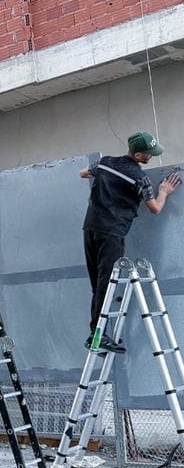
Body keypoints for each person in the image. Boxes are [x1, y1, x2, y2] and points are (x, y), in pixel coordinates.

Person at [81, 131, 180, 353]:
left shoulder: (106, 162)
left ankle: (96, 334)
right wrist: (164, 192)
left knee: (97, 283)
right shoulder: (139, 178)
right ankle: (96, 336)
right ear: (138, 155)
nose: (151, 156)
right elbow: (155, 208)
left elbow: (82, 173)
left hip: (91, 227)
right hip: (112, 232)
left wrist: (102, 175)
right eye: (149, 154)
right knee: (105, 284)